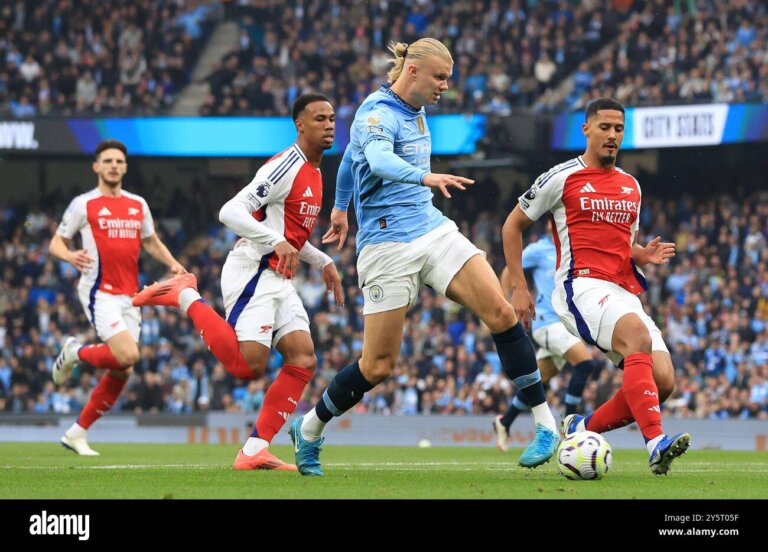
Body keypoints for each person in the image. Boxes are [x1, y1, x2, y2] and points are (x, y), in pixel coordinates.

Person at [289, 38, 560, 476]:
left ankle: (545, 425)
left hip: (432, 229)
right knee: (377, 366)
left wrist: (340, 206)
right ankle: (311, 427)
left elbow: (349, 161)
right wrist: (425, 176)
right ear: (412, 72)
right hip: (386, 246)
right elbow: (373, 158)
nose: (445, 86)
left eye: (447, 79)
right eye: (439, 77)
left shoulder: (416, 112)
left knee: (502, 312)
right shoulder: (376, 113)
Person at [132, 94, 343, 471]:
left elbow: (290, 234)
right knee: (249, 367)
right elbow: (230, 211)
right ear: (300, 125)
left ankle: (253, 451)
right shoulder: (286, 166)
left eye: (331, 118)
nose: (329, 125)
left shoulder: (314, 171)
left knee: (303, 357)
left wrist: (322, 259)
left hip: (279, 277)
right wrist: (274, 242)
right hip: (254, 270)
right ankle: (185, 295)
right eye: (320, 119)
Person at [502, 97, 691, 476]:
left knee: (664, 382)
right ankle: (655, 443)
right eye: (604, 127)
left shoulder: (631, 186)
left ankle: (580, 428)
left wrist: (641, 255)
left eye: (619, 129)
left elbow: (622, 245)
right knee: (636, 336)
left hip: (623, 290)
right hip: (580, 286)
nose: (612, 135)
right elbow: (512, 226)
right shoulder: (561, 177)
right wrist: (520, 289)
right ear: (586, 129)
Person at [50, 139, 186, 456]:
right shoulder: (85, 204)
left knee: (123, 369)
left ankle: (76, 433)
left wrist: (172, 263)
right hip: (100, 291)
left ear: (125, 167)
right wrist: (69, 256)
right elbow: (56, 242)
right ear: (96, 166)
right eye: (108, 161)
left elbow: (151, 241)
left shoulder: (138, 204)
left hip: (131, 294)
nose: (114, 165)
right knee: (128, 356)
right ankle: (76, 351)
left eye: (119, 161)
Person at [493, 229, 598, 452]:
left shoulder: (573, 248)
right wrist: (505, 300)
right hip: (547, 322)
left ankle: (504, 422)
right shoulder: (539, 250)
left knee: (538, 381)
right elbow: (509, 269)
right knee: (585, 362)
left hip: (567, 324)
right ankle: (570, 428)